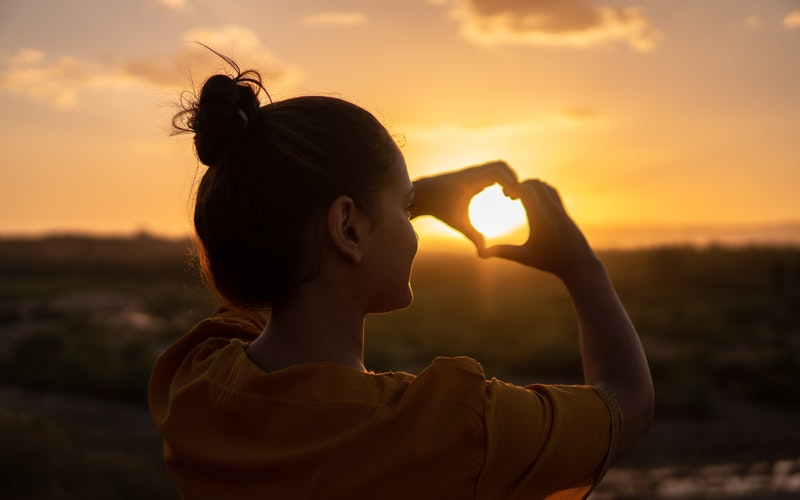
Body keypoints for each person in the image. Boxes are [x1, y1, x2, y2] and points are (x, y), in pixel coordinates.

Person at [148, 55, 654, 500]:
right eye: (405, 207)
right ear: (346, 226)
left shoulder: (195, 381)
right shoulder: (450, 428)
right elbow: (627, 401)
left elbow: (269, 254)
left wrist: (394, 203)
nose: (413, 229)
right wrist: (581, 266)